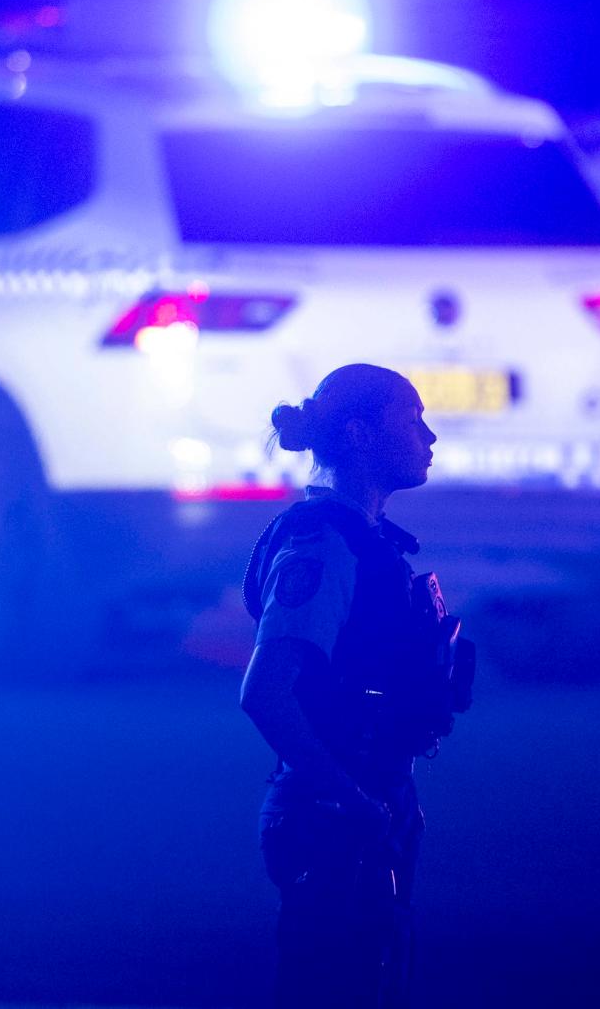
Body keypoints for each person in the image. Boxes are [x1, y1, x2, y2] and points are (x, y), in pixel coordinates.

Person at [240, 364, 475, 1009]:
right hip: (333, 818)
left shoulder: (367, 541)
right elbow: (265, 693)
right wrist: (353, 800)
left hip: (365, 803)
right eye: (411, 420)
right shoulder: (323, 546)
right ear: (361, 434)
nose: (429, 437)